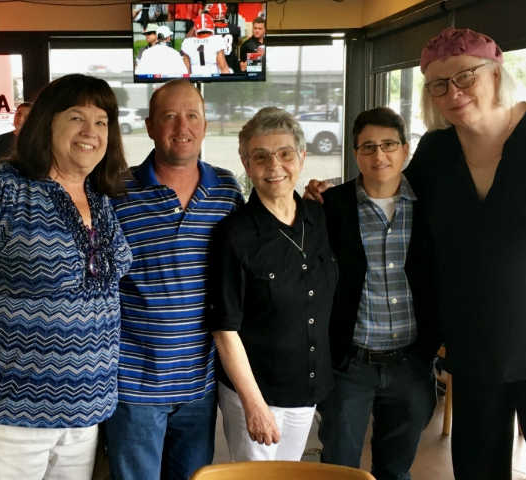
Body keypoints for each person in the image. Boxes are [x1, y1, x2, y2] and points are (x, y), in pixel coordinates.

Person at [307, 27, 526, 480]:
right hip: (476, 351)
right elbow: (386, 191)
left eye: (464, 77)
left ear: (496, 75)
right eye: (438, 84)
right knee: (477, 471)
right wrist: (328, 198)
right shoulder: (436, 153)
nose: (452, 92)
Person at [0, 73, 132, 478]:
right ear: (47, 124)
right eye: (76, 117)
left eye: (102, 121)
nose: (91, 131)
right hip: (5, 407)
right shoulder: (2, 189)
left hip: (85, 409)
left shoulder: (100, 197)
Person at [106, 79, 243, 480]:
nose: (181, 126)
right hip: (133, 385)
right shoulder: (117, 192)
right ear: (149, 126)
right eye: (169, 116)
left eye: (191, 116)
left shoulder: (227, 191)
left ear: (205, 125)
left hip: (199, 386)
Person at [314, 107, 439, 480]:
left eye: (388, 145)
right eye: (367, 147)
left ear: (405, 150)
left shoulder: (432, 207)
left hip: (412, 364)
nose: (378, 156)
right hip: (349, 365)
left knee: (396, 469)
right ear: (355, 155)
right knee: (338, 467)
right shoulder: (329, 207)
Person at [207, 107, 337, 462]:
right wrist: (254, 405)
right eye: (260, 157)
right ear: (246, 164)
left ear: (302, 157)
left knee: (289, 471)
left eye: (284, 154)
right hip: (257, 392)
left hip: (307, 389)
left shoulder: (321, 218)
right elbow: (224, 330)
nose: (274, 166)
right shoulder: (234, 235)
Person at [0, 101, 32, 167]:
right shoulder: (0, 140)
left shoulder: (37, 142)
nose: (20, 119)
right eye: (18, 114)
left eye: (26, 117)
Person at [209, 3, 242, 74]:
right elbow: (239, 41)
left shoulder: (209, 30)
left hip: (216, 64)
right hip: (232, 63)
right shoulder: (233, 28)